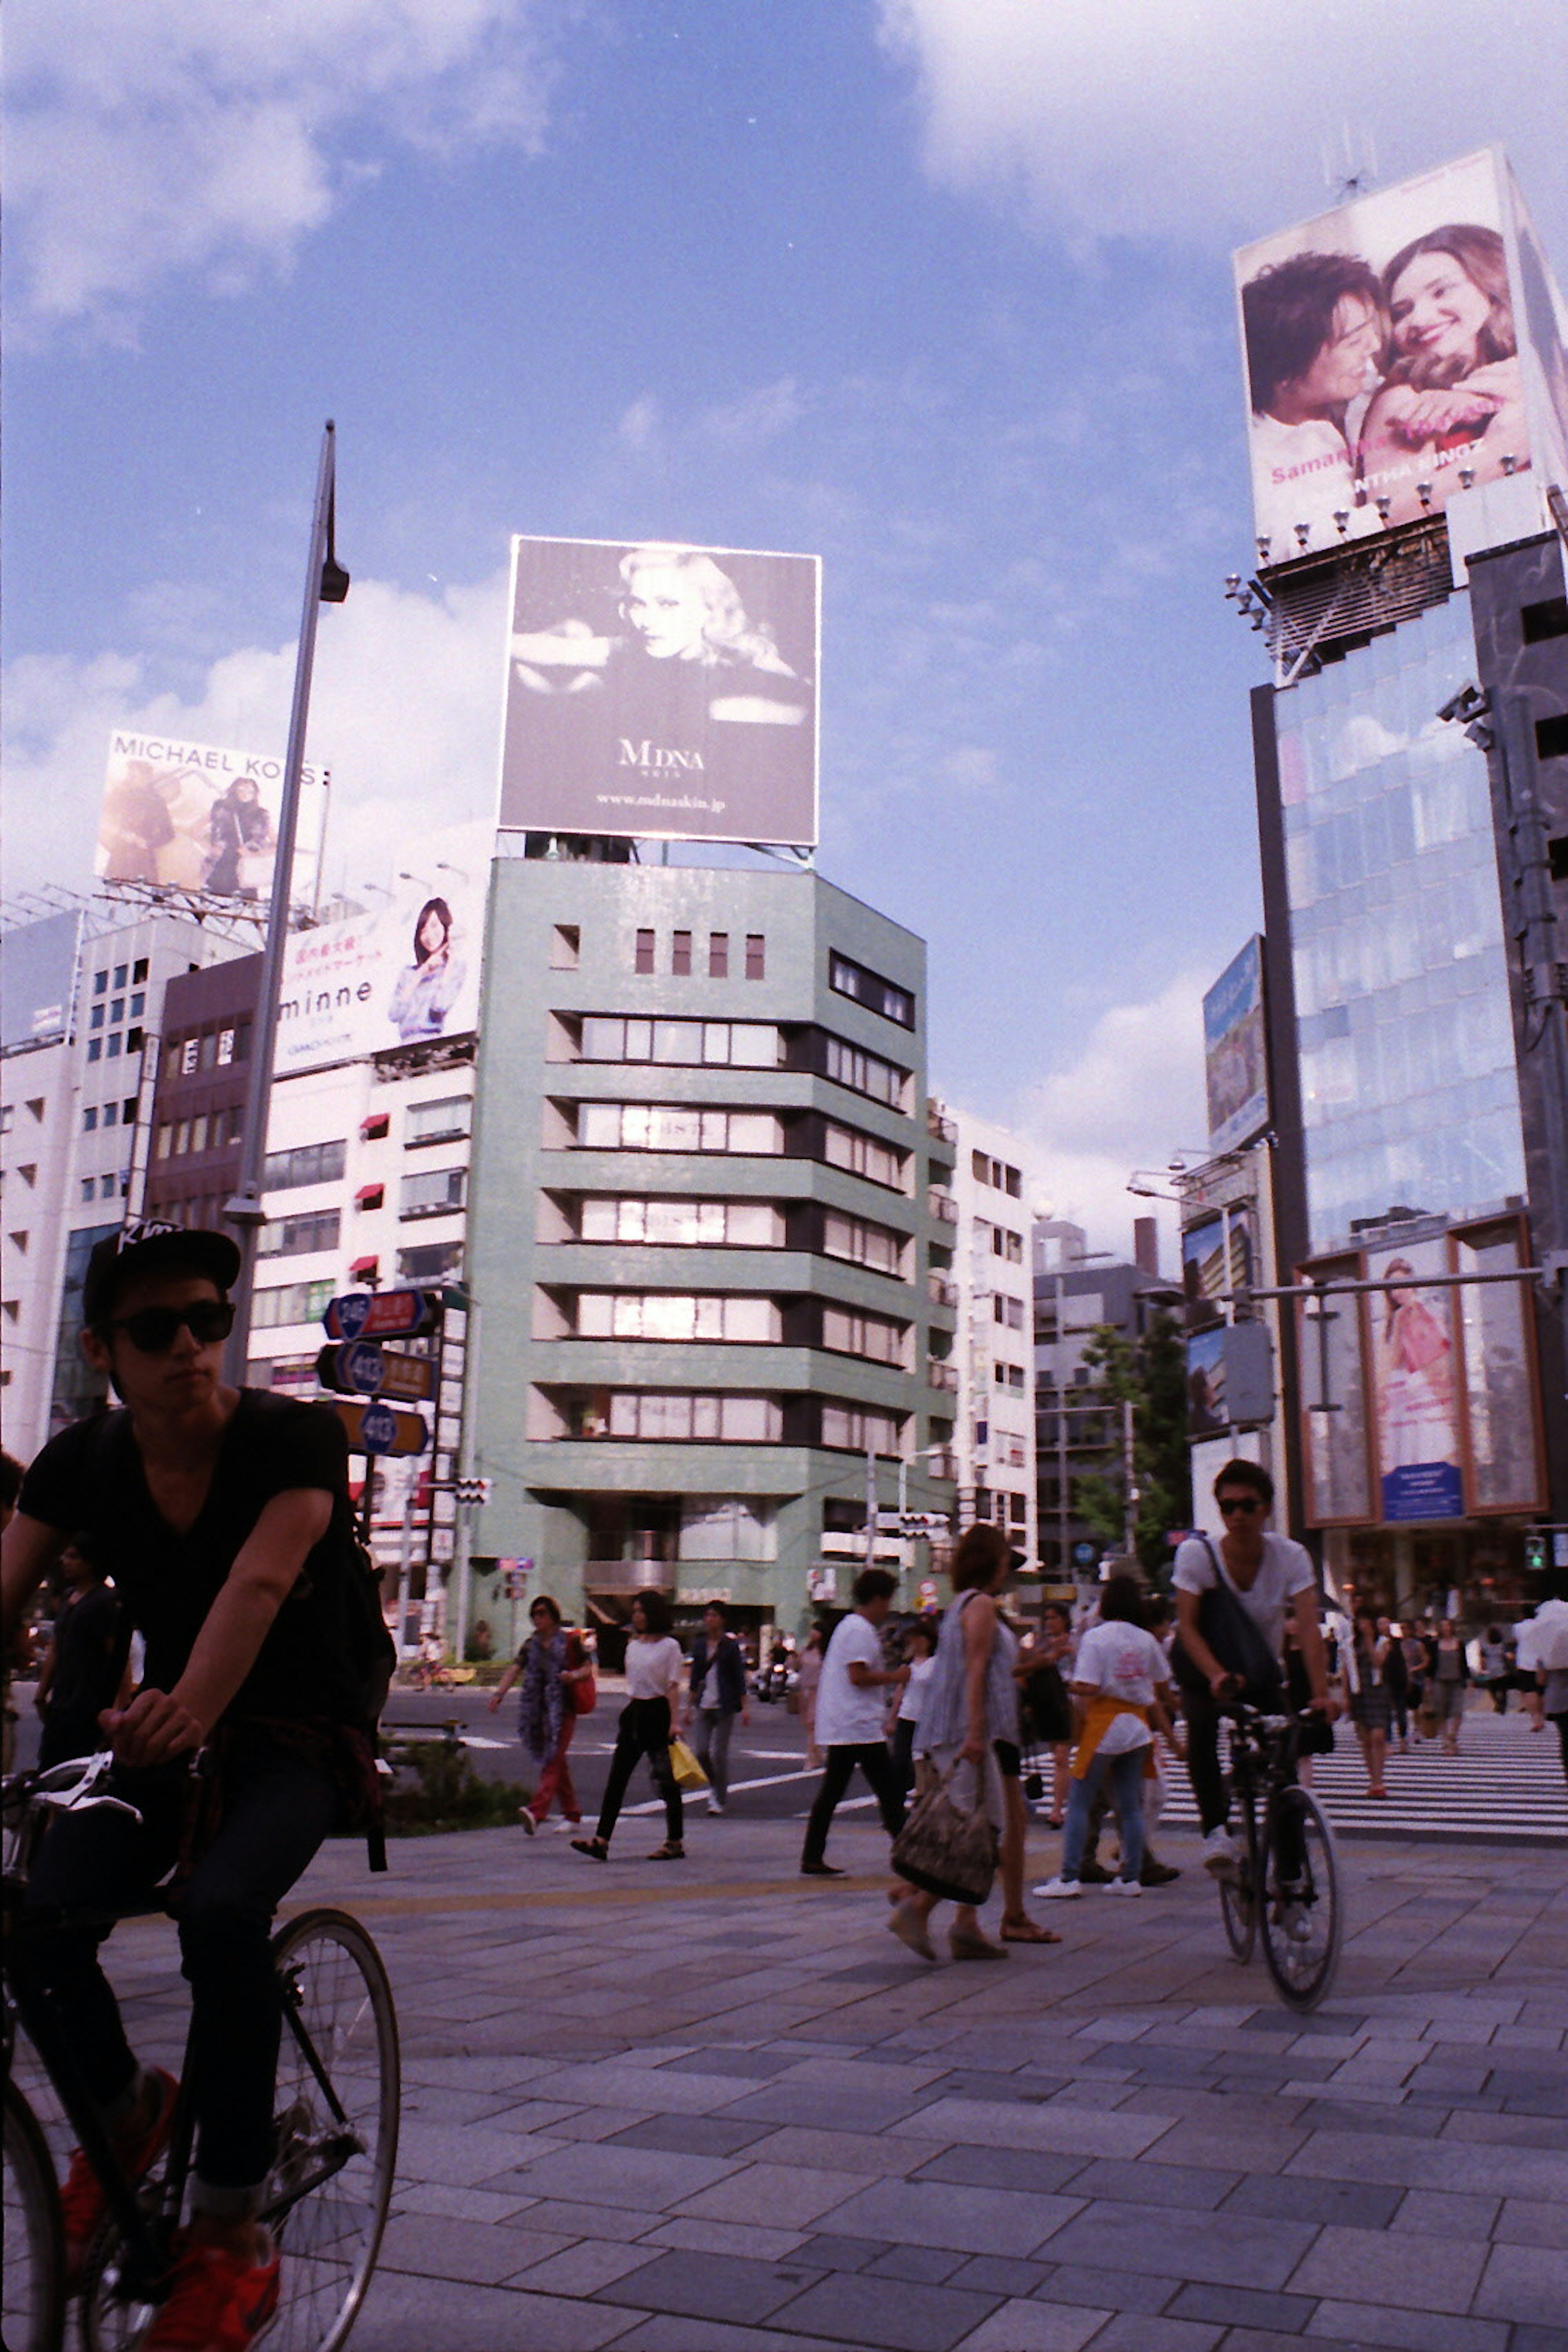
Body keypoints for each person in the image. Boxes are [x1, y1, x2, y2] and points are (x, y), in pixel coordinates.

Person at [0, 1220, 387, 2352]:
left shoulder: (293, 1440)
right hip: (166, 1734)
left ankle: (231, 2239)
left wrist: (188, 1711)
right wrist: (163, 1724)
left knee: (222, 1914)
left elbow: (262, 1583)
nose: (187, 1344)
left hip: (295, 1735)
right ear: (100, 1351)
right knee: (39, 1922)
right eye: (155, 1326)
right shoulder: (83, 1463)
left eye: (207, 1319)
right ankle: (126, 2117)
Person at [891, 1526, 1057, 1958]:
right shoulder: (980, 1604)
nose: (1008, 1568)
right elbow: (977, 1669)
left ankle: (965, 1925)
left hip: (965, 1730)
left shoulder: (963, 1605)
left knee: (983, 1828)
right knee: (978, 1832)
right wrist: (977, 1732)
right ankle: (919, 1909)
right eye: (1004, 1559)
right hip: (968, 1733)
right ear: (991, 1560)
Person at [1172, 1459, 1335, 1876]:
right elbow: (1187, 1628)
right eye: (1228, 1508)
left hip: (1258, 1669)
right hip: (1203, 1670)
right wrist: (1216, 1677)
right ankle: (1214, 1830)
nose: (1238, 1516)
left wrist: (1321, 1692)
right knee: (1203, 1731)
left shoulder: (1291, 1556)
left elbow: (1311, 1629)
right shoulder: (1197, 1554)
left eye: (1248, 1506)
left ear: (1267, 1509)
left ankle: (1291, 1883)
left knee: (1285, 1764)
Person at [1358, 224, 1531, 526]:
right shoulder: (1405, 399)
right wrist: (1502, 450)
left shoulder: (1539, 368)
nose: (1420, 319)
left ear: (1492, 283)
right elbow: (1393, 520)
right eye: (1402, 312)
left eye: (1442, 291)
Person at [1035, 1575, 1181, 1900]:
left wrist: (1063, 1684)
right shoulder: (1146, 1640)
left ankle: (1069, 1876)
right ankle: (1130, 1878)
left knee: (1080, 1803)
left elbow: (1089, 1686)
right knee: (1130, 1806)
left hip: (1104, 1724)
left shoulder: (1097, 1638)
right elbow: (1163, 1688)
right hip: (1138, 1728)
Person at [1240, 249, 1387, 550]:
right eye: (1354, 341)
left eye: (1370, 329)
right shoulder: (1256, 462)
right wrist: (1394, 514)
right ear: (1285, 371)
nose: (1374, 345)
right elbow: (1282, 548)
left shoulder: (1369, 394)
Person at [799, 1570, 908, 1879]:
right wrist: (895, 1678)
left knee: (837, 1791)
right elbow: (858, 1676)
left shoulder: (849, 1626)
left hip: (848, 1723)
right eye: (887, 1600)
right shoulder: (860, 1630)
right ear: (876, 1599)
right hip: (856, 1724)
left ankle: (812, 1856)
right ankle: (908, 1854)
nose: (888, 1607)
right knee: (887, 1791)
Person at [572, 1589, 685, 1861]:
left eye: (641, 1611)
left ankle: (675, 1841)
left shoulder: (670, 1647)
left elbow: (672, 1687)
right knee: (617, 1777)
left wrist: (674, 1722)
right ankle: (602, 1840)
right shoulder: (633, 1645)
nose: (637, 1616)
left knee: (667, 1781)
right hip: (635, 1711)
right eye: (635, 1611)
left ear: (654, 1614)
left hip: (658, 1712)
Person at [488, 1595, 591, 1834]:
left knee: (553, 1758)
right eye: (534, 1614)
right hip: (538, 1709)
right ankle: (573, 1814)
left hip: (564, 1707)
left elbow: (588, 1668)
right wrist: (499, 1695)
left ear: (553, 1616)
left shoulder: (570, 1641)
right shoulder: (530, 1644)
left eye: (542, 1613)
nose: (538, 1618)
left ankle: (537, 1811)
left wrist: (572, 1677)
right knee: (557, 1761)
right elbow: (515, 1669)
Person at [33, 1530, 132, 1771]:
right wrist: (41, 1693)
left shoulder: (105, 1602)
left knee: (79, 1770)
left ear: (91, 1562)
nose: (65, 1562)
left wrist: (122, 1707)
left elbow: (118, 1657)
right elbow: (57, 1649)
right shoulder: (69, 1599)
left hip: (89, 1706)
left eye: (73, 1557)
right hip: (62, 1704)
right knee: (49, 1768)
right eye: (65, 1556)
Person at [684, 1599, 748, 1816]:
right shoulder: (700, 1645)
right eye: (707, 1616)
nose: (709, 1619)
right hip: (704, 1704)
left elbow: (739, 1678)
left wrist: (745, 1707)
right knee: (701, 1751)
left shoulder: (730, 1647)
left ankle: (719, 1799)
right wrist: (688, 1707)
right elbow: (695, 1677)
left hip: (724, 1705)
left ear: (722, 1620)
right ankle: (715, 1783)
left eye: (714, 1615)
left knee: (719, 1754)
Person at [1017, 1600, 1074, 1827]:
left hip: (1070, 1700)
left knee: (1062, 1756)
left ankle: (1058, 1810)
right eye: (1047, 1618)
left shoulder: (1075, 1642)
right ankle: (1063, 1805)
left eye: (1055, 1618)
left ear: (1065, 1620)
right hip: (1048, 1703)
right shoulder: (1039, 1643)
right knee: (1058, 1756)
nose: (1050, 1622)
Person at [388, 896, 466, 1045]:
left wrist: (452, 955)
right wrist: (421, 973)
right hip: (404, 1047)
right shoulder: (409, 973)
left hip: (432, 1044)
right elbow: (394, 1014)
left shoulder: (456, 968)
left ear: (446, 928)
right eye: (423, 930)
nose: (429, 935)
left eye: (435, 926)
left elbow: (440, 1006)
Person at [889, 1619, 937, 1808]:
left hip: (926, 1719)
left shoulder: (935, 1663)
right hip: (907, 1715)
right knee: (900, 1761)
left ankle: (925, 1800)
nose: (916, 1643)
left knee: (925, 1762)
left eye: (920, 1638)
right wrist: (892, 1718)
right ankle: (896, 1806)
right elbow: (900, 1692)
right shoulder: (907, 1664)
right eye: (913, 1639)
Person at [1347, 1607, 1392, 1798]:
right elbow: (1346, 1671)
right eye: (1360, 1623)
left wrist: (1368, 1639)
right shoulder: (1350, 1644)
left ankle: (1379, 1780)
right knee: (1365, 1739)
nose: (1363, 1626)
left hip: (1378, 1692)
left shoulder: (1383, 1642)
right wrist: (1345, 1697)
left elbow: (1378, 1662)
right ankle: (1373, 1779)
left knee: (1378, 1737)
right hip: (1359, 1691)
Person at [201, 779, 274, 900]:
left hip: (246, 867)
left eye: (251, 791)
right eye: (242, 789)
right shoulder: (221, 808)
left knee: (245, 906)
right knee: (212, 901)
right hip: (222, 863)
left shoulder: (260, 815)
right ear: (234, 790)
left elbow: (279, 845)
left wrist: (257, 854)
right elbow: (195, 829)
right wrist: (211, 848)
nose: (246, 794)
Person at [1426, 1617, 1470, 1754]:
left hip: (1456, 1680)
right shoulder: (1435, 1644)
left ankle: (1453, 1736)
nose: (1446, 1629)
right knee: (1441, 1711)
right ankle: (1445, 1738)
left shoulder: (1459, 1643)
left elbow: (1464, 1663)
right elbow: (1430, 1665)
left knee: (1457, 1710)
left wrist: (1469, 1681)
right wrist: (1428, 1683)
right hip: (1439, 1680)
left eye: (1448, 1626)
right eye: (1443, 1626)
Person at [795, 1622, 825, 1768]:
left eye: (817, 1631)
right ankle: (817, 1753)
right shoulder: (806, 1650)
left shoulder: (826, 1653)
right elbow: (797, 1667)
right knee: (808, 1724)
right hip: (804, 1689)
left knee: (813, 1723)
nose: (814, 1634)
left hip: (819, 1690)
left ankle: (810, 1758)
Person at [1476, 1623, 1512, 1715]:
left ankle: (1497, 1702)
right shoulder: (1502, 1647)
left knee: (1492, 1688)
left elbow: (1482, 1660)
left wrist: (1482, 1668)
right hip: (1502, 1670)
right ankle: (1503, 1704)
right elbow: (1508, 1657)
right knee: (1503, 1689)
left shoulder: (1484, 1647)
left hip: (1491, 1671)